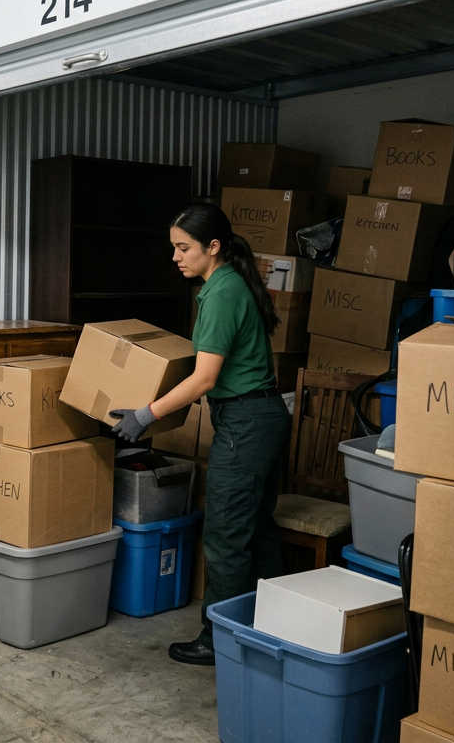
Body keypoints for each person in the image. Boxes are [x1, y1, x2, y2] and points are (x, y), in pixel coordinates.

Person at [108, 202, 289, 667]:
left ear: (214, 247)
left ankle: (217, 639)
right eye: (174, 247)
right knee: (257, 532)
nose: (176, 257)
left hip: (245, 424)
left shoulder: (223, 291)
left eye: (183, 247)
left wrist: (145, 415)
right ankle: (270, 626)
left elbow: (205, 378)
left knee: (228, 533)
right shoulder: (229, 283)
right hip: (262, 417)